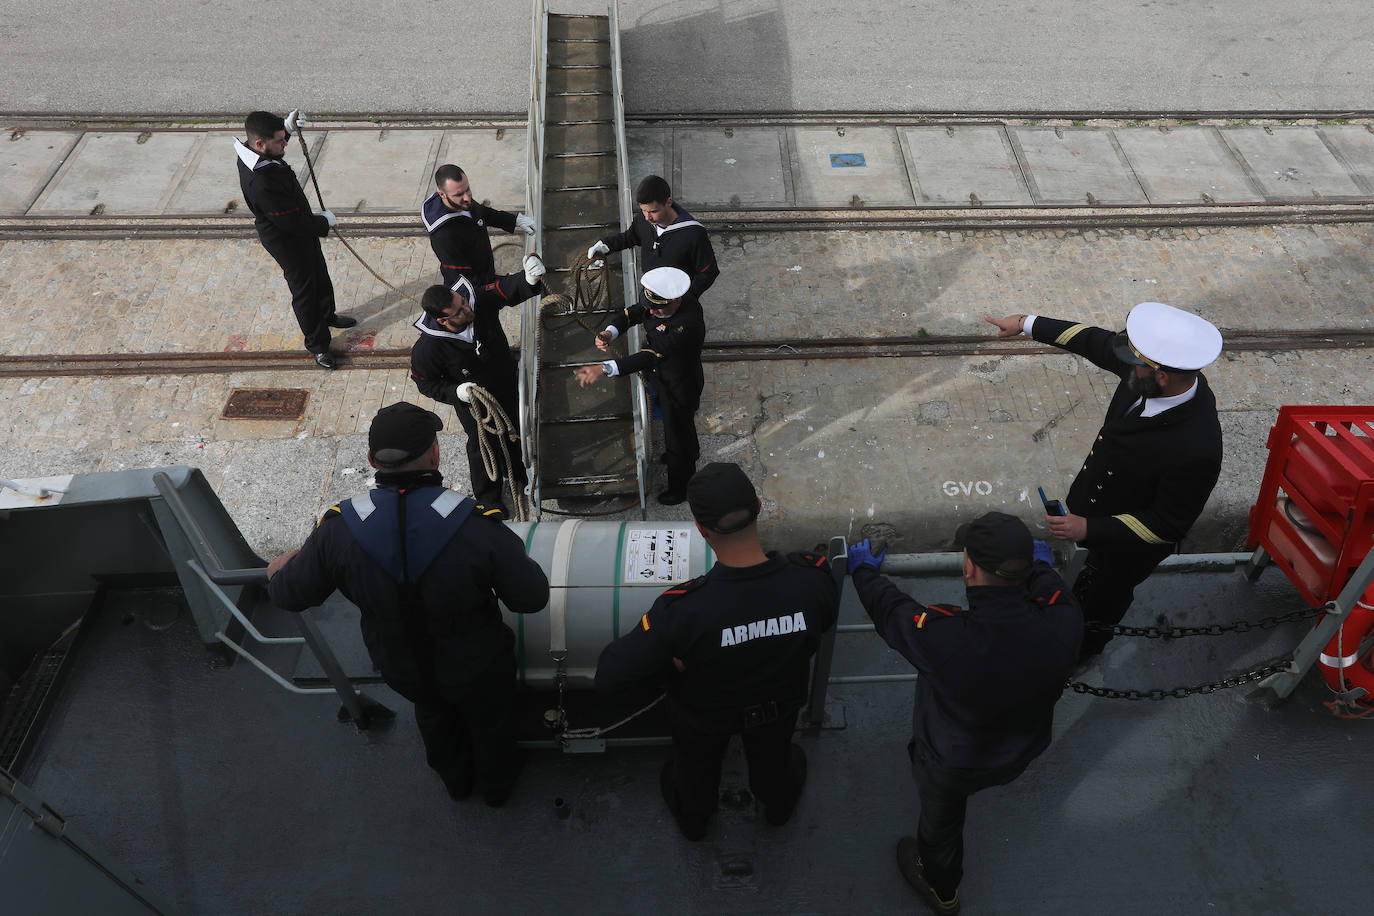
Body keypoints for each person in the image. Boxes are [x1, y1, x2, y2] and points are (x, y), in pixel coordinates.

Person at [266, 402, 549, 806]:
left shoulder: (338, 530)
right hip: (477, 663)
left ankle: (457, 784)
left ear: (371, 460)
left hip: (401, 665)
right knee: (491, 722)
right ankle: (497, 791)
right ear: (434, 453)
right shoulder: (476, 525)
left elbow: (289, 594)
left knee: (433, 714)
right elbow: (531, 598)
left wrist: (278, 568)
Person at [847, 513, 1082, 915]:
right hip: (1020, 752)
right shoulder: (1065, 620)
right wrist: (1043, 570)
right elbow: (1052, 593)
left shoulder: (945, 636)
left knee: (940, 828)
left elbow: (892, 611)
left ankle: (943, 892)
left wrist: (864, 572)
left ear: (969, 568)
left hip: (952, 764)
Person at [595, 462, 839, 840]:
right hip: (780, 706)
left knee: (694, 773)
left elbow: (610, 675)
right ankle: (777, 808)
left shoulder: (683, 610)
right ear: (759, 507)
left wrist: (671, 665)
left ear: (701, 529)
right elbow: (823, 621)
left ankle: (695, 821)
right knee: (776, 764)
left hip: (706, 718)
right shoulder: (812, 579)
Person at [986, 301, 1224, 659]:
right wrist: (1025, 323)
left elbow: (1168, 525)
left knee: (1101, 600)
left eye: (1134, 363)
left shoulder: (1198, 446)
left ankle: (1081, 650)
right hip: (1091, 508)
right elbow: (1093, 341)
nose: (1125, 365)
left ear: (1161, 377)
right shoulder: (1152, 374)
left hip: (1124, 550)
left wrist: (1089, 529)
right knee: (1076, 575)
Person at [408, 256, 546, 514]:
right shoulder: (428, 349)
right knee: (482, 445)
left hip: (505, 383)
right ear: (443, 321)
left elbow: (503, 290)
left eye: (462, 303)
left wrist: (527, 279)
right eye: (459, 312)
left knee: (515, 430)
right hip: (475, 403)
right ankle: (488, 498)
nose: (467, 309)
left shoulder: (474, 302)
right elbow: (425, 383)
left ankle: (520, 474)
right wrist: (455, 392)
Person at [571, 266, 705, 505]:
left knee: (677, 435)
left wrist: (604, 368)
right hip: (662, 377)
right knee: (682, 429)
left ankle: (680, 487)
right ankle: (690, 452)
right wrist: (610, 332)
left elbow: (651, 354)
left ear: (676, 301)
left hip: (679, 386)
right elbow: (632, 313)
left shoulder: (686, 324)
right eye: (651, 305)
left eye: (657, 308)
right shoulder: (660, 305)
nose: (651, 311)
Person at [234, 109, 356, 370]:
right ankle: (318, 345)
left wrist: (287, 129)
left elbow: (271, 146)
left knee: (320, 273)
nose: (285, 144)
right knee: (305, 291)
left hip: (298, 228)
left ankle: (328, 316)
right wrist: (323, 222)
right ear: (260, 144)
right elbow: (292, 223)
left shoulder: (252, 151)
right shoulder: (261, 182)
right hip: (287, 239)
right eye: (280, 141)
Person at [586, 175, 718, 302]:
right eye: (643, 210)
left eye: (653, 211)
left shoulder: (694, 233)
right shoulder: (643, 219)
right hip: (649, 292)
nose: (647, 217)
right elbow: (630, 237)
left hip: (677, 300)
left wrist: (685, 298)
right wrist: (605, 246)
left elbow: (708, 272)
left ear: (668, 202)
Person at [422, 163, 535, 287]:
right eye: (459, 194)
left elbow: (480, 212)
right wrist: (514, 283)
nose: (467, 198)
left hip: (483, 264)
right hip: (475, 287)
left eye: (468, 189)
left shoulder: (460, 202)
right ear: (442, 194)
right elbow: (469, 283)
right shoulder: (444, 237)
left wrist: (514, 220)